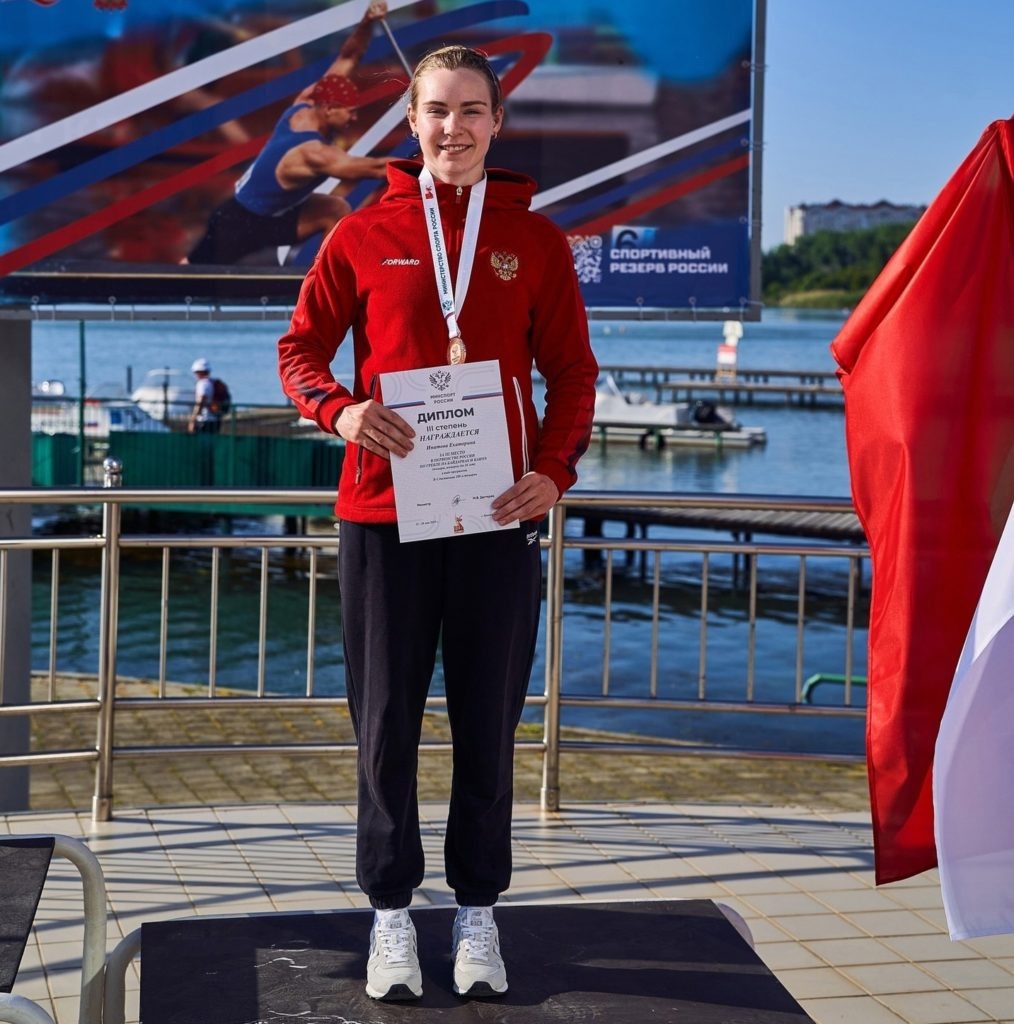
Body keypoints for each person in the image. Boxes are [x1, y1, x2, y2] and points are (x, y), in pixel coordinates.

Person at [277, 45, 598, 1002]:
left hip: (497, 519)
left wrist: (552, 470)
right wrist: (338, 410)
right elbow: (300, 348)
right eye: (435, 112)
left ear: (497, 125)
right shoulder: (360, 235)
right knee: (383, 726)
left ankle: (478, 913)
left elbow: (573, 375)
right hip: (382, 517)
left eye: (471, 111)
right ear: (409, 124)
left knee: (488, 726)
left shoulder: (534, 241)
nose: (452, 128)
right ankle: (387, 917)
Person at [186, 1, 393, 265]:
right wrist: (429, 162)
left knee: (335, 209)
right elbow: (372, 168)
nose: (354, 117)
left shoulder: (309, 100)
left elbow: (348, 57)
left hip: (273, 216)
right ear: (329, 108)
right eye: (350, 112)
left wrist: (367, 22)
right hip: (238, 223)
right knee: (192, 276)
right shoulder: (312, 152)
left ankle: (323, 282)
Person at [187, 357, 223, 434]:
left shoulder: (202, 384)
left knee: (201, 444)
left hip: (204, 420)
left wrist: (193, 420)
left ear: (198, 372)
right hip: (215, 419)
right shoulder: (212, 382)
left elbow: (201, 401)